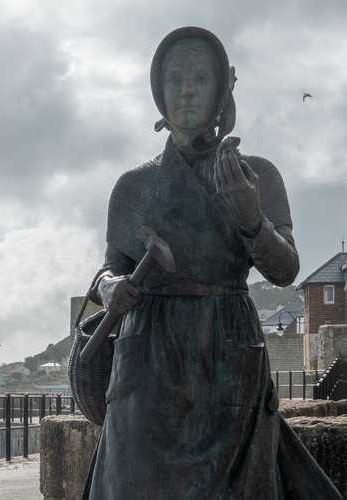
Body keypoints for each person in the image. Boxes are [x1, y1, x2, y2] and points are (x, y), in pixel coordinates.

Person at [82, 27, 342, 500]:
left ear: (221, 88)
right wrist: (111, 286)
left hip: (228, 354)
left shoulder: (256, 174)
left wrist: (250, 217)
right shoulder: (132, 187)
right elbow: (107, 268)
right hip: (147, 359)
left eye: (200, 77)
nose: (186, 89)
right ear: (157, 92)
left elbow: (284, 270)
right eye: (175, 77)